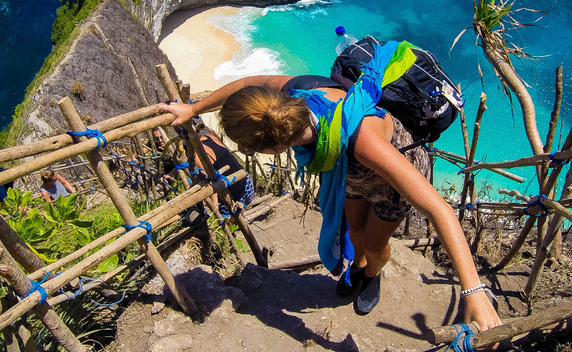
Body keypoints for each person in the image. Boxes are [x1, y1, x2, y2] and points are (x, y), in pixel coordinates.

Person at [159, 67, 501, 331]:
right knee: (353, 229)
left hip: (390, 182)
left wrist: (474, 292)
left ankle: (372, 275)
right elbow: (246, 84)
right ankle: (359, 267)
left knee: (373, 241)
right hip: (351, 175)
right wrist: (193, 109)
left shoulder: (361, 140)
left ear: (275, 149)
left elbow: (437, 208)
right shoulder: (294, 95)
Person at [191, 125, 255, 216]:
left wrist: (215, 204)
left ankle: (238, 214)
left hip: (232, 192)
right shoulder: (211, 137)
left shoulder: (198, 153)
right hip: (246, 182)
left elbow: (211, 179)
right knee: (241, 207)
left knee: (228, 219)